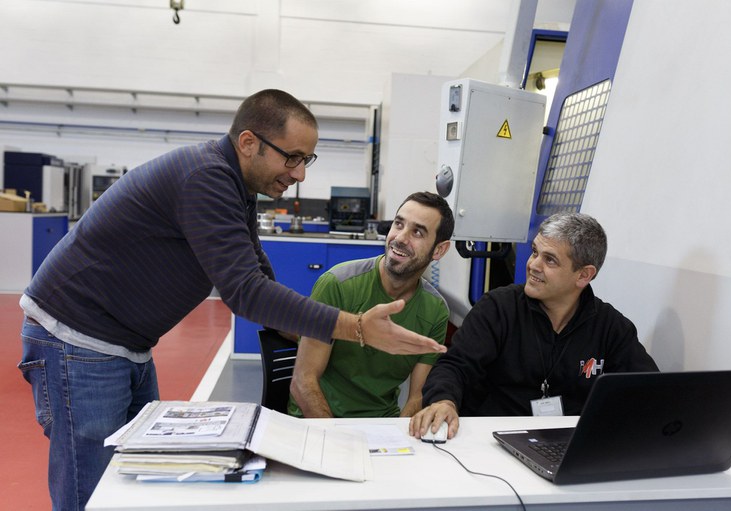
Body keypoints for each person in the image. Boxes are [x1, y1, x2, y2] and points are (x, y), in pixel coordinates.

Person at [17, 89, 446, 511]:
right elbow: (245, 291)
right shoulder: (205, 177)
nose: (300, 174)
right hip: (78, 338)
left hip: (124, 343)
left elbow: (256, 267)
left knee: (134, 480)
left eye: (306, 160)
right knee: (91, 492)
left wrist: (301, 333)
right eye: (292, 157)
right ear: (248, 142)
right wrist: (356, 328)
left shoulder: (236, 184)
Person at [409, 212, 658, 441]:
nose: (533, 265)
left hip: (567, 447)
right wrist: (444, 401)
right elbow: (455, 366)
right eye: (535, 252)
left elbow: (648, 391)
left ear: (583, 275)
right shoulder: (497, 308)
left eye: (550, 260)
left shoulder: (611, 327)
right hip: (492, 441)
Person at [288, 191, 455, 418]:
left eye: (417, 232)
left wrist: (400, 435)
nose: (400, 238)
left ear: (439, 250)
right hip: (319, 420)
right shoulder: (337, 284)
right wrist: (331, 435)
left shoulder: (435, 310)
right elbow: (302, 382)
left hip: (381, 423)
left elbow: (417, 397)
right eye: (398, 224)